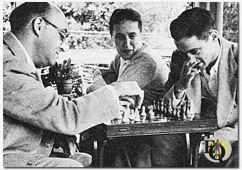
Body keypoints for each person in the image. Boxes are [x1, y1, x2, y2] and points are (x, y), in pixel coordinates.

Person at [3, 2, 144, 167]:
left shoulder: (13, 58)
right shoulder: (8, 63)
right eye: (62, 34)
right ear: (39, 25)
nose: (62, 46)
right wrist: (117, 89)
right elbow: (67, 115)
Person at [86, 8, 186, 167]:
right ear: (111, 37)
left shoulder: (146, 60)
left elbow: (107, 95)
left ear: (141, 34)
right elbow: (108, 81)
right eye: (119, 37)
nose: (127, 44)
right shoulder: (121, 57)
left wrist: (96, 77)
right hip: (134, 135)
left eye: (132, 36)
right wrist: (99, 77)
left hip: (158, 145)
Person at [164, 7, 238, 167]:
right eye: (184, 53)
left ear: (213, 36)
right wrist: (181, 85)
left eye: (195, 51)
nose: (189, 60)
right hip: (197, 134)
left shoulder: (237, 57)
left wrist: (219, 137)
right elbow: (165, 109)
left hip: (234, 135)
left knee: (222, 156)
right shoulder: (179, 59)